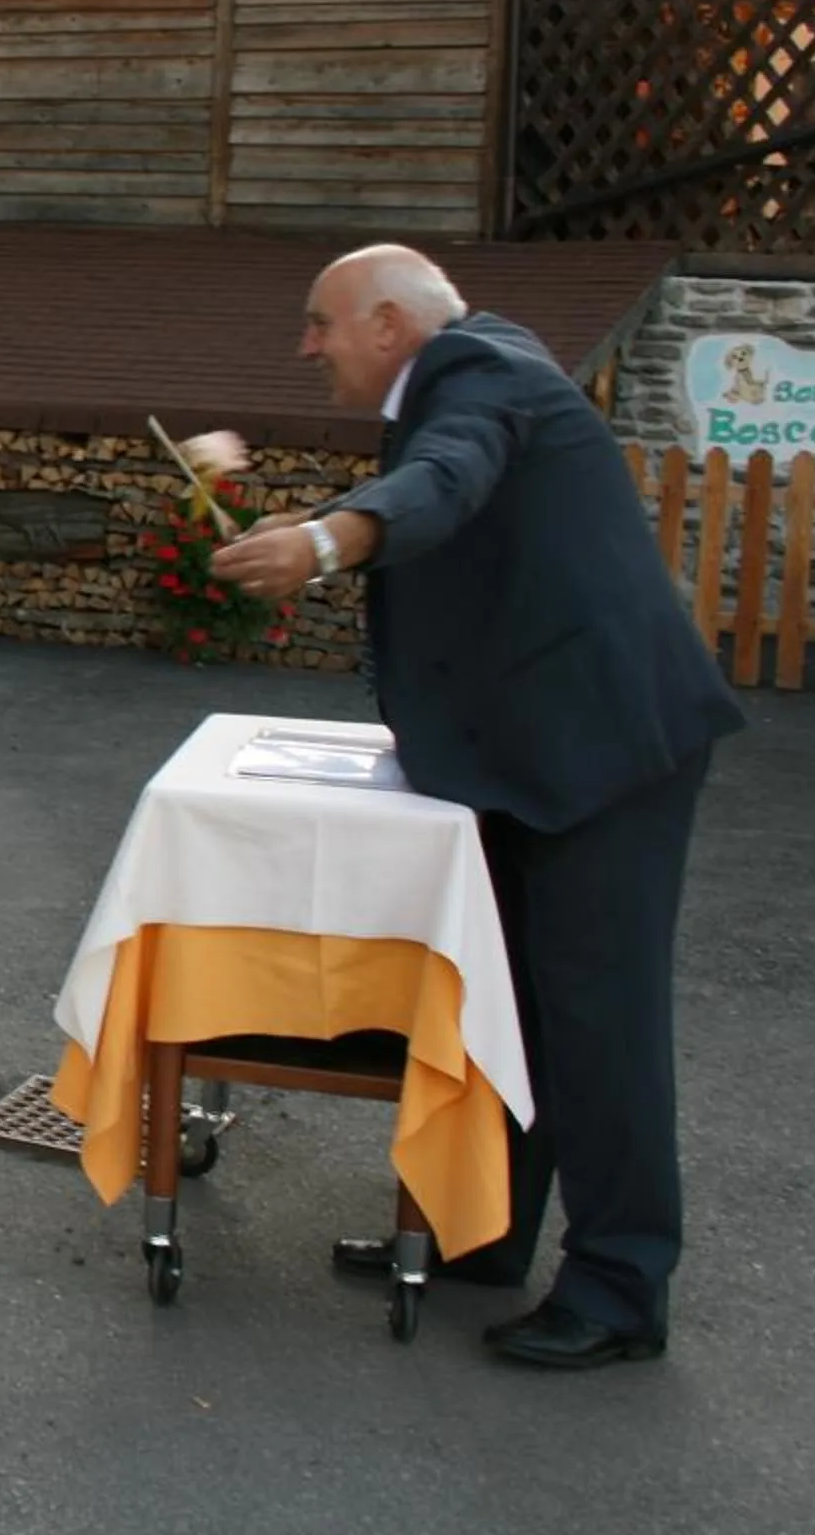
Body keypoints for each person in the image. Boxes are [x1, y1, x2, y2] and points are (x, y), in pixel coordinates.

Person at [208, 243, 745, 1371]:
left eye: (321, 322)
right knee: (508, 1009)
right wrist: (323, 518)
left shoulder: (480, 375)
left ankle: (620, 1289)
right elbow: (442, 496)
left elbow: (445, 477)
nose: (307, 345)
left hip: (602, 755)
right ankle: (479, 1235)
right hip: (527, 756)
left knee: (600, 1027)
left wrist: (322, 541)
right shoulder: (476, 367)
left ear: (392, 323)